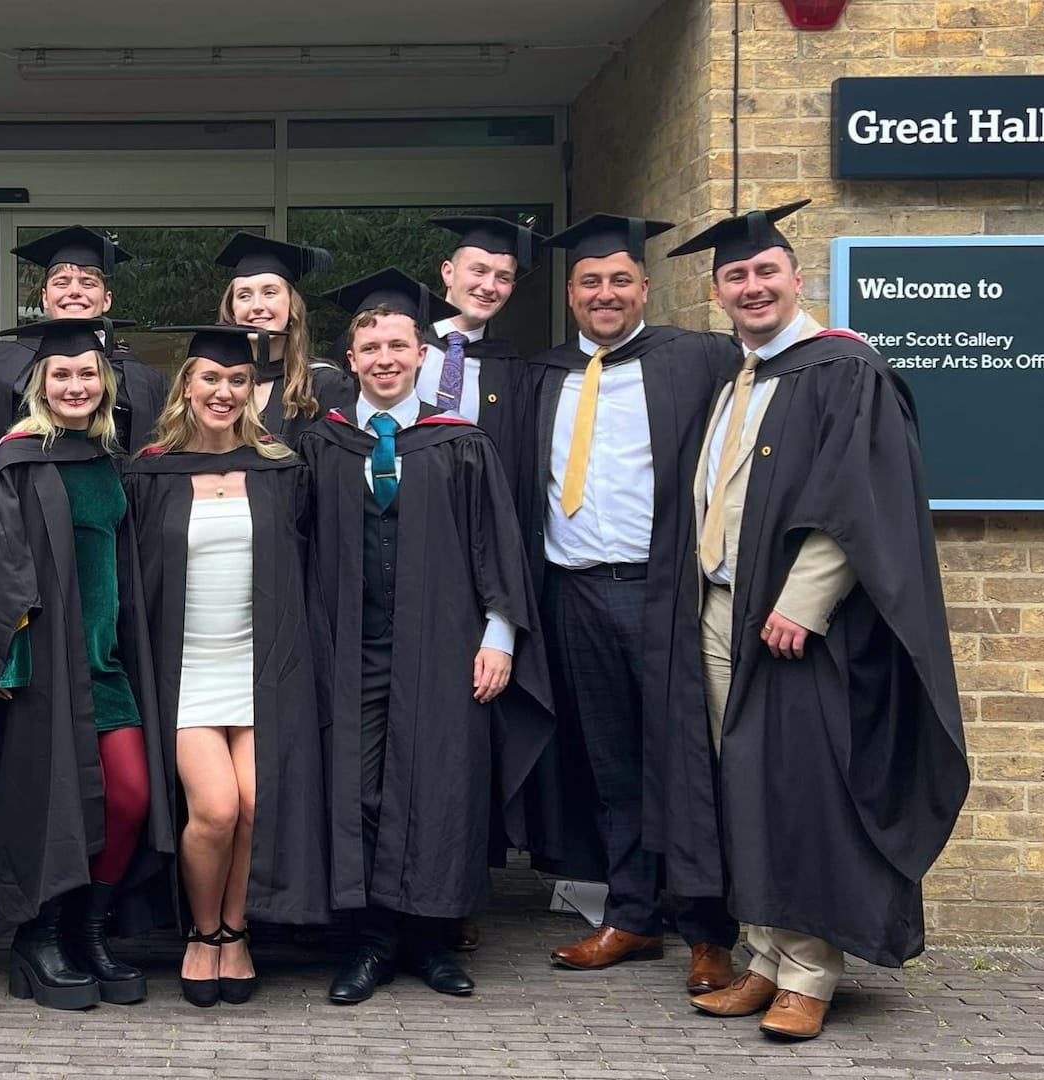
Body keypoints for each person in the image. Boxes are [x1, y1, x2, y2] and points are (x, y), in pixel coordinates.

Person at [660, 203, 966, 1039]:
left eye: (765, 273)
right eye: (735, 277)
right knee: (743, 788)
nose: (752, 287)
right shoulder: (739, 380)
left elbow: (855, 501)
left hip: (791, 625)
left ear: (798, 279)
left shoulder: (842, 371)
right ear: (717, 291)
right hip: (719, 611)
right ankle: (762, 955)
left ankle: (809, 973)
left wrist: (804, 602)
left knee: (800, 791)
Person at [0, 316, 174, 1011]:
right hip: (42, 671)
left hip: (105, 666)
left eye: (88, 374)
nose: (76, 385)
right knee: (49, 808)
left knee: (130, 796)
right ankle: (40, 938)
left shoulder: (106, 459)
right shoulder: (16, 461)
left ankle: (89, 927)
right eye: (62, 375)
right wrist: (9, 667)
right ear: (40, 385)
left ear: (105, 384)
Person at [297, 297, 549, 1007]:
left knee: (442, 789)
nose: (384, 359)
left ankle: (432, 942)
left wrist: (500, 637)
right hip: (350, 648)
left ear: (420, 356)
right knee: (362, 789)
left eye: (397, 346)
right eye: (369, 347)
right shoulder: (325, 442)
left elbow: (496, 544)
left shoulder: (458, 441)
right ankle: (372, 942)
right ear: (351, 361)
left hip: (443, 646)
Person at [519, 215, 743, 995]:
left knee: (686, 760)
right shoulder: (541, 377)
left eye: (619, 280)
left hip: (664, 590)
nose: (605, 294)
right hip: (574, 592)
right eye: (590, 282)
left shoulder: (699, 360)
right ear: (572, 294)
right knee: (610, 765)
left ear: (645, 287)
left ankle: (710, 931)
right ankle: (632, 913)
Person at [124, 325, 329, 1007]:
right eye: (210, 379)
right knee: (214, 809)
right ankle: (201, 931)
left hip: (260, 665)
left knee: (255, 805)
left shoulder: (280, 468)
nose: (223, 391)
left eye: (237, 381)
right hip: (186, 669)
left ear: (251, 390)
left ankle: (235, 935)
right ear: (187, 385)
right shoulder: (150, 469)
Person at [0, 226, 169, 452]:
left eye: (88, 283)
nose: (75, 291)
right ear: (45, 298)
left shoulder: (142, 380)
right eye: (62, 282)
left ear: (106, 300)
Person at [420, 216, 547, 460]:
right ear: (448, 272)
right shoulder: (404, 349)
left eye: (503, 278)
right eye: (479, 271)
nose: (489, 286)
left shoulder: (512, 372)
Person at [214, 232, 353, 442]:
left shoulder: (325, 386)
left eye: (269, 292)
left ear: (292, 306)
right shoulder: (214, 389)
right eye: (244, 295)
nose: (257, 306)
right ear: (231, 311)